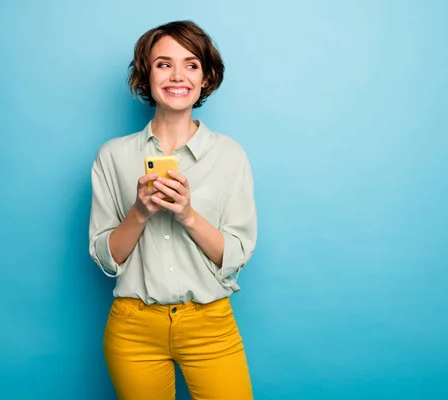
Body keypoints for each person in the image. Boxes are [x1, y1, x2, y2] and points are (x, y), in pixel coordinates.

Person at [88, 20, 257, 400]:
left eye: (191, 64)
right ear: (145, 76)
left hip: (210, 325)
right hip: (133, 329)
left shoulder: (230, 155)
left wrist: (187, 215)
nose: (177, 75)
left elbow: (235, 256)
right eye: (163, 64)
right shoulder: (113, 156)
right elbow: (106, 258)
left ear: (206, 78)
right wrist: (140, 212)